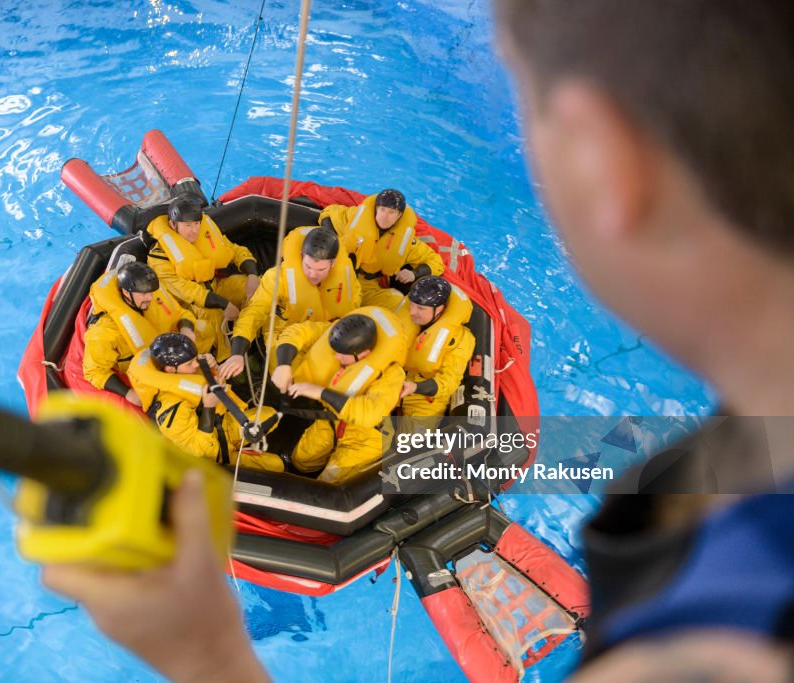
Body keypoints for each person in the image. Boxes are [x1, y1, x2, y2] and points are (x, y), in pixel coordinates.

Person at [45, 1, 794, 680]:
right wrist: (258, 362)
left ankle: (439, 513)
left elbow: (366, 385)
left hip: (366, 434)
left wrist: (210, 657)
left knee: (333, 453)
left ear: (611, 159)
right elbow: (263, 324)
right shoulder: (254, 311)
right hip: (267, 396)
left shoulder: (381, 334)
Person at [271, 309, 408, 483]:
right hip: (332, 420)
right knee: (301, 460)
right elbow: (296, 331)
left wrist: (319, 392)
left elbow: (370, 415)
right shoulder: (338, 339)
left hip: (364, 438)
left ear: (364, 354)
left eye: (342, 355)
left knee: (328, 482)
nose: (335, 356)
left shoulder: (391, 373)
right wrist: (283, 364)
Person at [218, 226, 361, 381]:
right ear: (301, 256)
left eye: (321, 269)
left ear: (333, 263)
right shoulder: (277, 277)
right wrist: (237, 353)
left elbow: (355, 301)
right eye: (308, 266)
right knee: (289, 375)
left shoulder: (345, 274)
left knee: (339, 374)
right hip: (283, 332)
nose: (313, 275)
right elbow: (253, 313)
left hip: (328, 330)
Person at [127, 333, 283, 472]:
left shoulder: (187, 373)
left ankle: (241, 446)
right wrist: (209, 407)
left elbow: (218, 387)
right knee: (276, 465)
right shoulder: (169, 411)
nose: (196, 364)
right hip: (213, 452)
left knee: (270, 414)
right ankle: (239, 455)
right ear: (169, 370)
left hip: (222, 425)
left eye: (195, 360)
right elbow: (200, 451)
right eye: (190, 363)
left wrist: (213, 368)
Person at [146, 195, 260, 359]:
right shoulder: (158, 258)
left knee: (254, 289)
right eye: (187, 225)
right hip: (189, 304)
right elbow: (187, 292)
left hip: (216, 285)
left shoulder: (205, 236)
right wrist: (223, 303)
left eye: (197, 224)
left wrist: (252, 275)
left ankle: (254, 343)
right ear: (172, 224)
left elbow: (234, 250)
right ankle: (226, 360)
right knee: (214, 315)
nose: (194, 230)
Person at [82, 262, 197, 405]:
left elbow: (181, 313)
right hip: (147, 371)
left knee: (204, 329)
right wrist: (128, 393)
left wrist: (186, 329)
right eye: (143, 294)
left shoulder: (153, 297)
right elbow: (94, 371)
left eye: (150, 292)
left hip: (176, 355)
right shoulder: (104, 332)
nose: (149, 297)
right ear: (125, 292)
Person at [319, 189, 445, 309]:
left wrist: (413, 274)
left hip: (368, 286)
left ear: (399, 215)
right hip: (339, 272)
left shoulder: (405, 242)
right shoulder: (354, 218)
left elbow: (436, 262)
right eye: (382, 210)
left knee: (398, 302)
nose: (385, 216)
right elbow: (328, 214)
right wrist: (333, 245)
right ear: (376, 209)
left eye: (391, 212)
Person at [398, 276, 476, 417]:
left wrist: (415, 387)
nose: (412, 312)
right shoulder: (410, 320)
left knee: (410, 439)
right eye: (412, 305)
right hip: (399, 376)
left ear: (439, 309)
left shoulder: (462, 340)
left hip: (427, 397)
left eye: (420, 308)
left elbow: (449, 380)